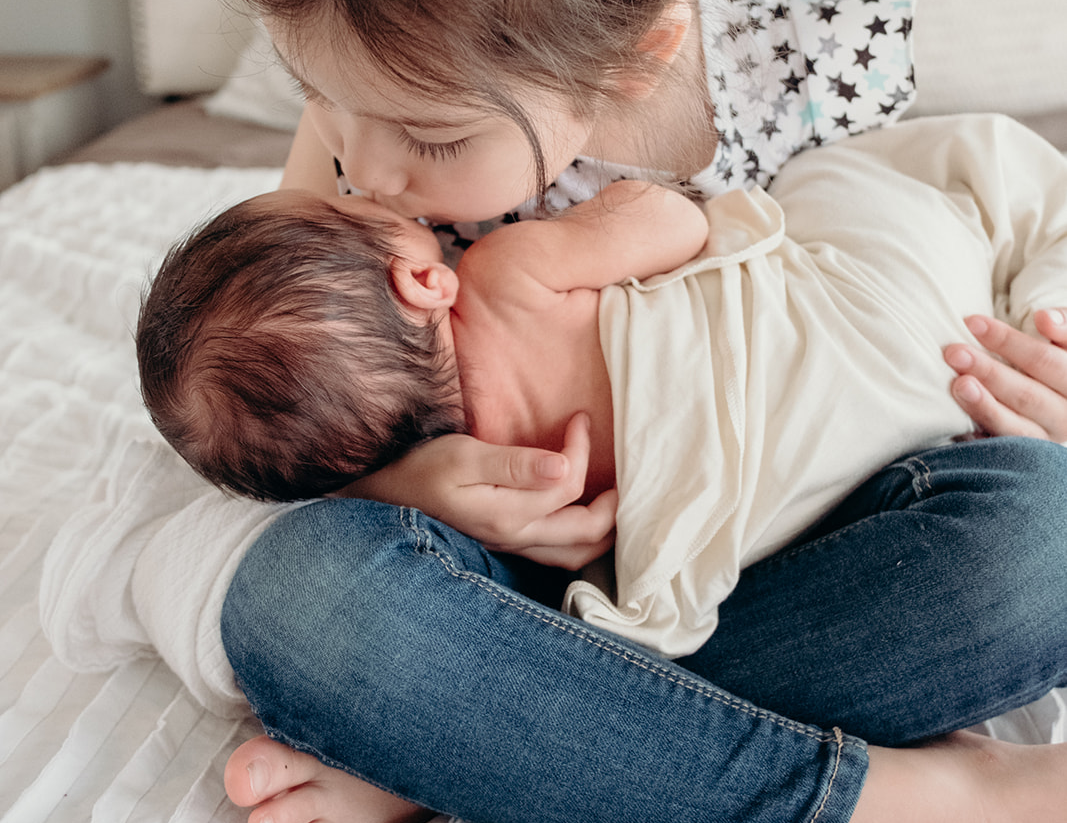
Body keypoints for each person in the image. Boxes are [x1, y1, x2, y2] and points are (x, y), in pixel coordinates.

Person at [206, 0, 1067, 823]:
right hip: (508, 587)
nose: (361, 174)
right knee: (303, 600)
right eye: (319, 94)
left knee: (1042, 538)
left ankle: (467, 744)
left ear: (631, 62)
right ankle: (919, 813)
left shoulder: (812, 95)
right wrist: (405, 477)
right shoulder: (355, 158)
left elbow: (933, 290)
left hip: (778, 560)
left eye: (426, 133)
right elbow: (283, 398)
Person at [139, 115, 1067, 660]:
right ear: (422, 281)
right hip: (885, 326)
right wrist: (603, 221)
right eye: (350, 207)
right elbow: (671, 222)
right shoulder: (503, 276)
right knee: (909, 169)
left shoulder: (494, 499)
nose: (375, 188)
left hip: (820, 489)